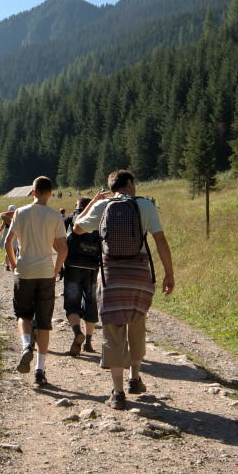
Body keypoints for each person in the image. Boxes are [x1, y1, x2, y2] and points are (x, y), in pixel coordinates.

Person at [73, 169, 174, 410]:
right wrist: (169, 273)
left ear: (112, 186)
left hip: (111, 275)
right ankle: (134, 378)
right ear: (129, 183)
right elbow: (160, 240)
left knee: (113, 329)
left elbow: (76, 228)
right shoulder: (145, 206)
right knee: (136, 323)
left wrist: (93, 203)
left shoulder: (103, 206)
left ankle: (117, 392)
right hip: (138, 273)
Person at [5, 176, 68, 386]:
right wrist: (56, 270)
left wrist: (15, 265)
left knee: (23, 314)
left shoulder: (20, 213)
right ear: (50, 192)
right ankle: (40, 370)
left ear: (33, 192)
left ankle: (25, 346)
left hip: (24, 272)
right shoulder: (55, 216)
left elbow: (8, 242)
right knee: (44, 323)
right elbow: (63, 249)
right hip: (45, 273)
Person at [63, 196, 100, 355]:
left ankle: (78, 332)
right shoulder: (98, 219)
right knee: (91, 302)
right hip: (92, 267)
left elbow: (60, 240)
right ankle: (89, 343)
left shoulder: (71, 218)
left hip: (72, 266)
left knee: (72, 303)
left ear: (77, 205)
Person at [0, 205, 18, 271]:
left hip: (9, 233)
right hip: (13, 233)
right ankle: (10, 265)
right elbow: (2, 226)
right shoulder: (15, 217)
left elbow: (2, 226)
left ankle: (8, 265)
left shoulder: (6, 217)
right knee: (14, 250)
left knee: (9, 250)